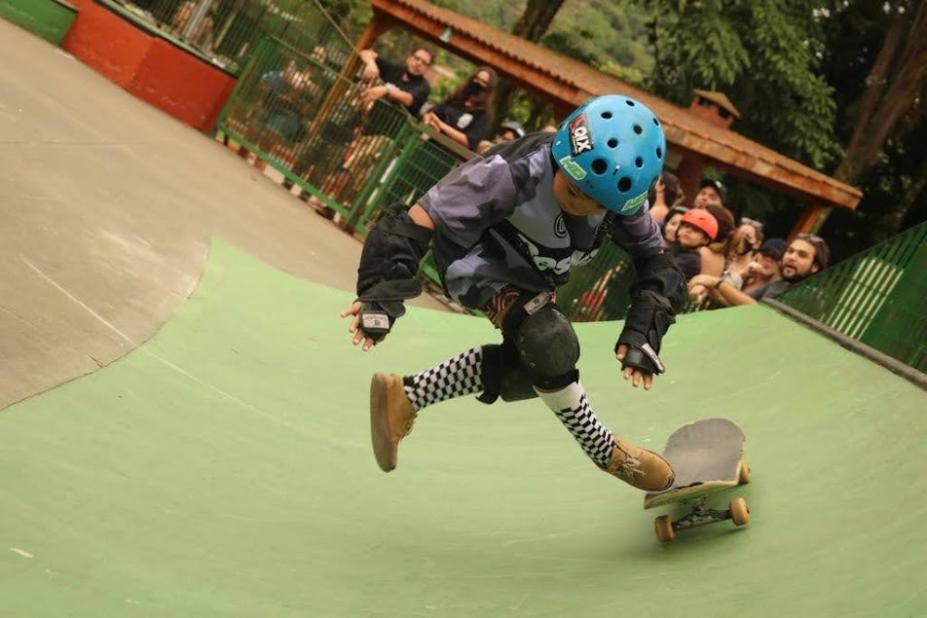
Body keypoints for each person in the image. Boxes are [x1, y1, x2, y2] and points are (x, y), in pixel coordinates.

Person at [341, 95, 688, 493]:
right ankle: (605, 450)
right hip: (474, 256)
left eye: (597, 203)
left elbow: (658, 264)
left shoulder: (619, 201)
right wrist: (381, 295)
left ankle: (407, 395)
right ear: (562, 155)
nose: (582, 207)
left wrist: (645, 331)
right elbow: (415, 222)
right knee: (548, 341)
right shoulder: (508, 173)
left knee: (535, 368)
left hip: (533, 276)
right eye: (574, 191)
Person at [687, 234, 830, 306]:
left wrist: (716, 283)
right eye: (790, 251)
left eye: (802, 255)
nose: (792, 257)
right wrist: (709, 287)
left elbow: (759, 311)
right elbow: (729, 302)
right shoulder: (779, 285)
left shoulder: (811, 294)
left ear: (815, 267)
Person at [422, 67, 498, 151]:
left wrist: (441, 125)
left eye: (483, 82)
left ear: (488, 89)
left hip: (450, 156)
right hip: (429, 145)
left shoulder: (484, 115)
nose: (477, 83)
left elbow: (470, 142)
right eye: (476, 78)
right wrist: (430, 122)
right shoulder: (456, 98)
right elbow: (431, 113)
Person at [357, 46, 432, 117]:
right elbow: (365, 52)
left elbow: (408, 99)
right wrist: (371, 63)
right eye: (417, 58)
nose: (419, 63)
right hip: (369, 117)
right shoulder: (395, 69)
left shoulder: (424, 86)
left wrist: (386, 90)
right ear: (409, 58)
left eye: (424, 63)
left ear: (427, 69)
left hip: (394, 127)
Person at [669, 209, 719, 281]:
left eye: (696, 230)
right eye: (686, 226)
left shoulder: (692, 261)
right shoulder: (675, 247)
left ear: (705, 240)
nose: (688, 231)